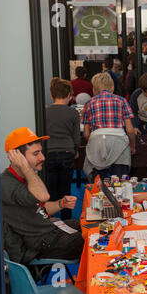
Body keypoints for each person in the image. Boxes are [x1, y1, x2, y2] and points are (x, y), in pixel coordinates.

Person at [1, 127, 84, 265]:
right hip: (41, 242)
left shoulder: (26, 178)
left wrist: (61, 204)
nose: (43, 158)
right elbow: (43, 196)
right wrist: (25, 167)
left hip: (51, 228)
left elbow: (40, 207)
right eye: (36, 154)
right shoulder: (7, 183)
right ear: (18, 156)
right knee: (95, 240)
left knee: (93, 226)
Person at [82, 72, 136, 182]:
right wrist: (132, 146)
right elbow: (130, 130)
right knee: (121, 181)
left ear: (94, 89)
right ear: (112, 87)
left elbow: (86, 134)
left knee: (98, 181)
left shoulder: (89, 103)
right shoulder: (121, 101)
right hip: (119, 141)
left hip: (97, 141)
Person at [45, 78, 81, 220]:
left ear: (52, 96)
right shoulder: (73, 113)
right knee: (66, 189)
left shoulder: (45, 112)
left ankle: (50, 220)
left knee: (50, 190)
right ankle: (67, 222)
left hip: (49, 153)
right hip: (67, 152)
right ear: (69, 96)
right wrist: (76, 150)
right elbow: (76, 138)